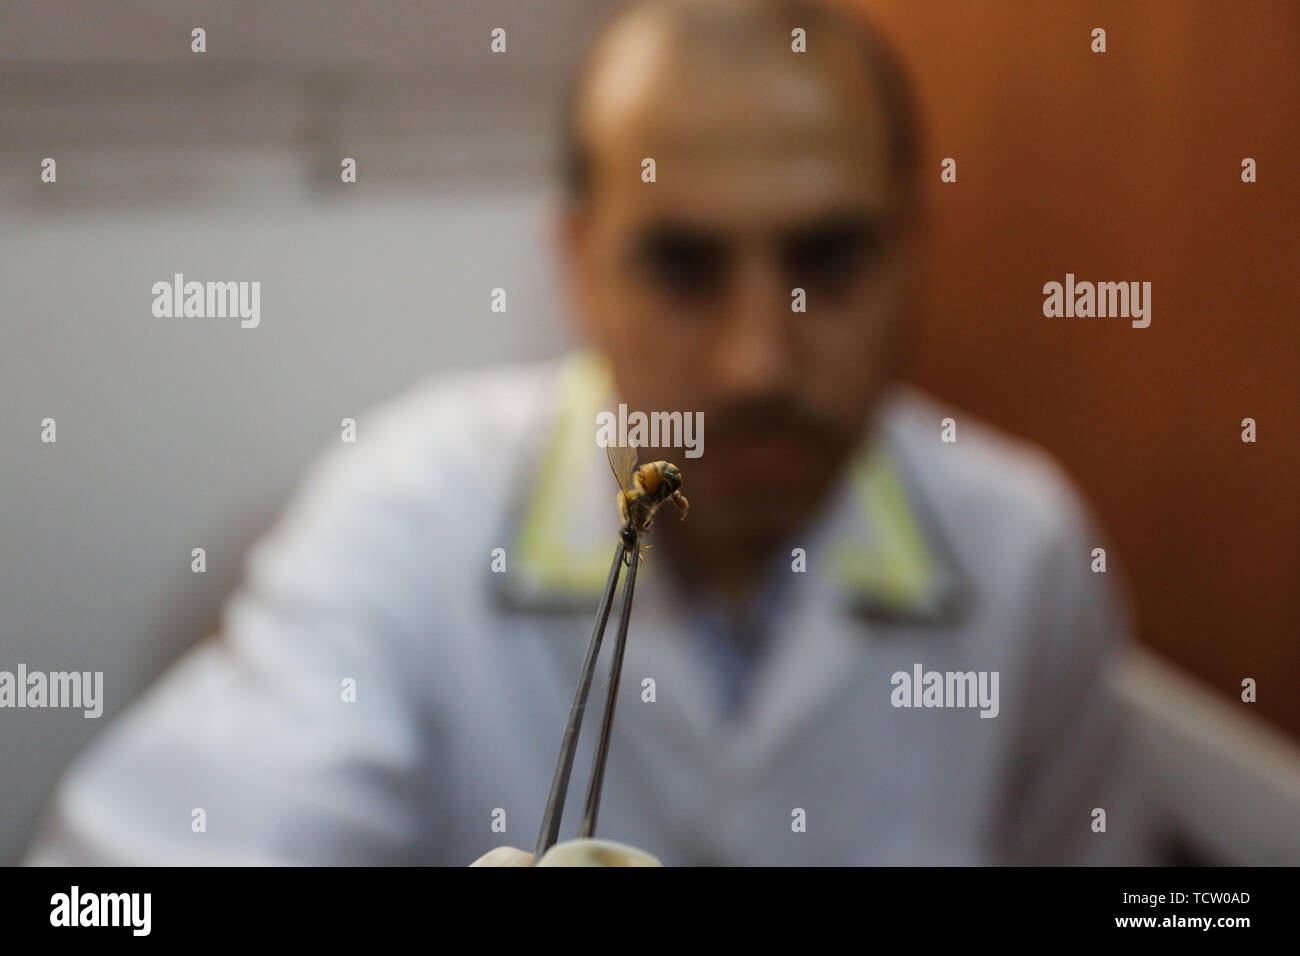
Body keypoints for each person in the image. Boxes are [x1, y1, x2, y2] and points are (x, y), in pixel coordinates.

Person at [27, 0, 1156, 866]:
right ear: (577, 263)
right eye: (680, 265)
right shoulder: (406, 517)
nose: (756, 357)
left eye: (830, 258)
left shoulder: (1026, 556)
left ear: (915, 251)